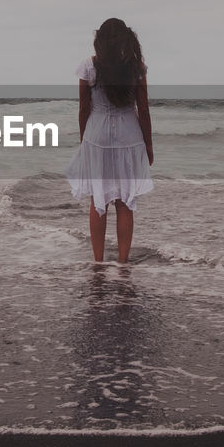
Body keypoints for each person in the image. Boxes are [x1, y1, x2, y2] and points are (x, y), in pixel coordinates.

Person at [64, 18, 154, 264]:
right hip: (129, 135)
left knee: (98, 199)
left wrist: (84, 141)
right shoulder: (137, 68)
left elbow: (84, 109)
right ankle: (123, 264)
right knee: (125, 202)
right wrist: (149, 145)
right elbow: (143, 110)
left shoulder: (89, 67)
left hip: (97, 135)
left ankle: (99, 262)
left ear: (99, 41)